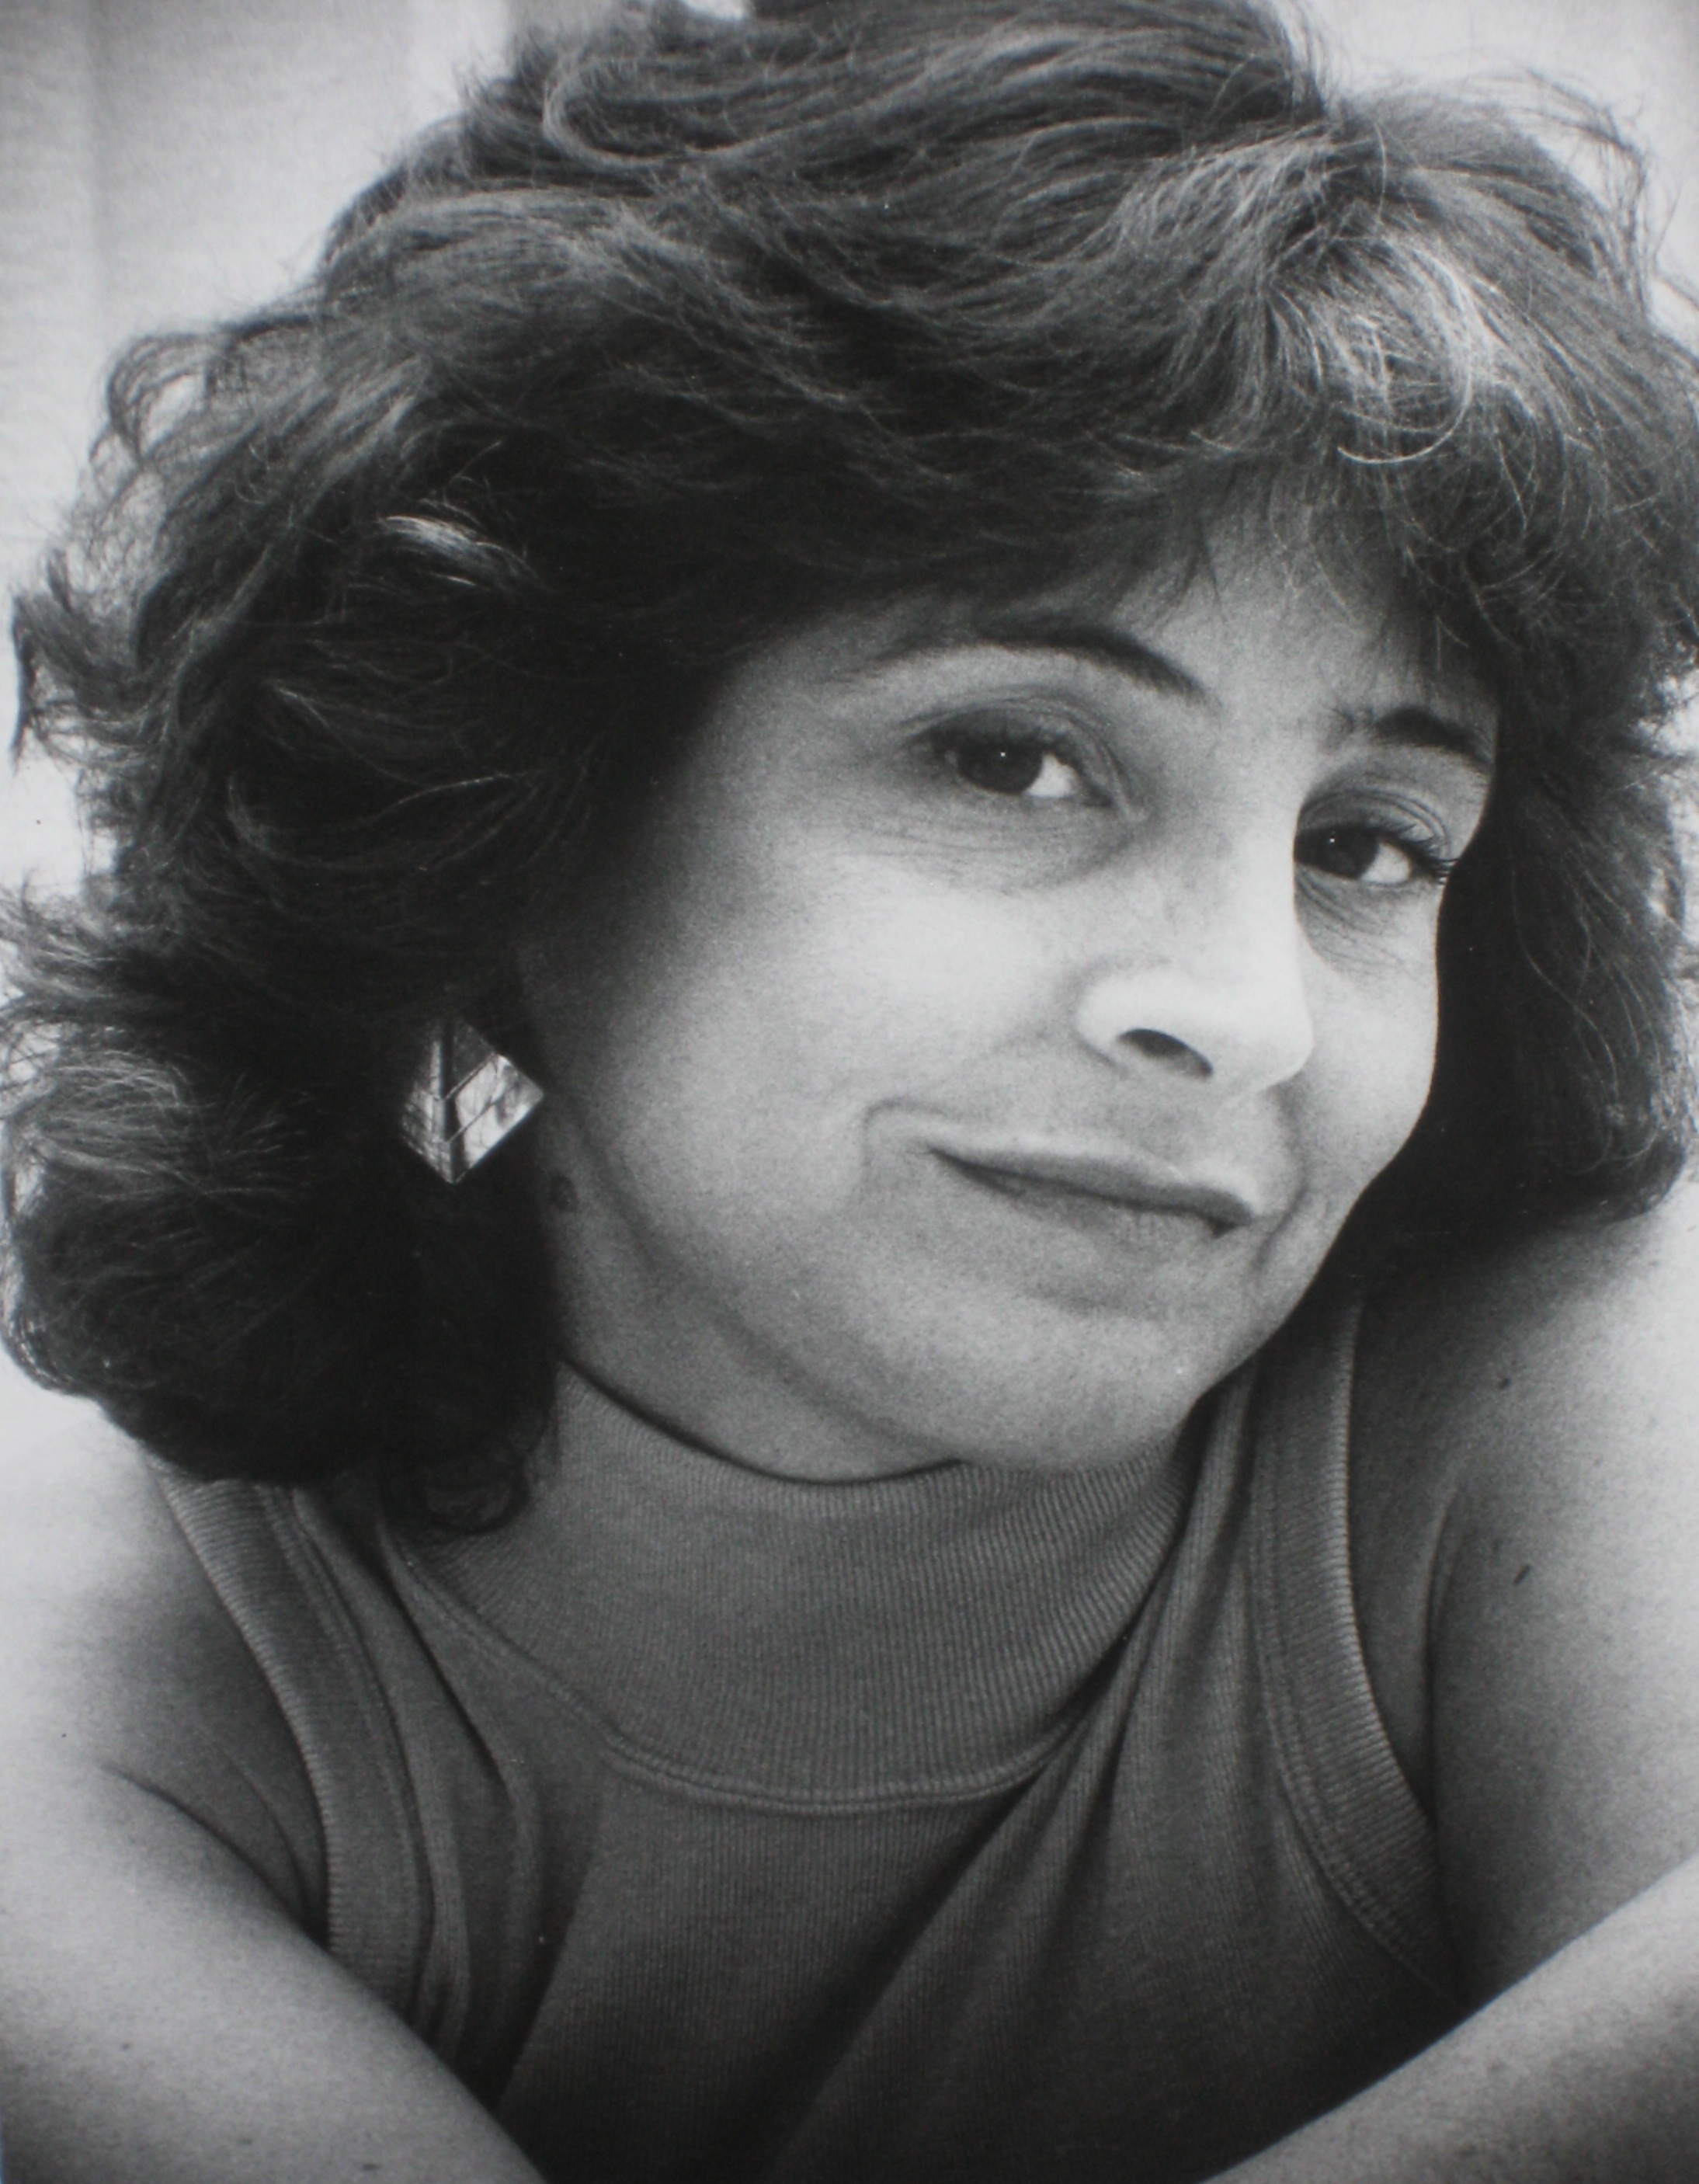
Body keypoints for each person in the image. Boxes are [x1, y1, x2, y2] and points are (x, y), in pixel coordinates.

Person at [3, 0, 1699, 2175]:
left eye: (1367, 844)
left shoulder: (1559, 1392)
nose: (1248, 1009)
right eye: (1010, 756)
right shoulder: (112, 1666)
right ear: (503, 815)